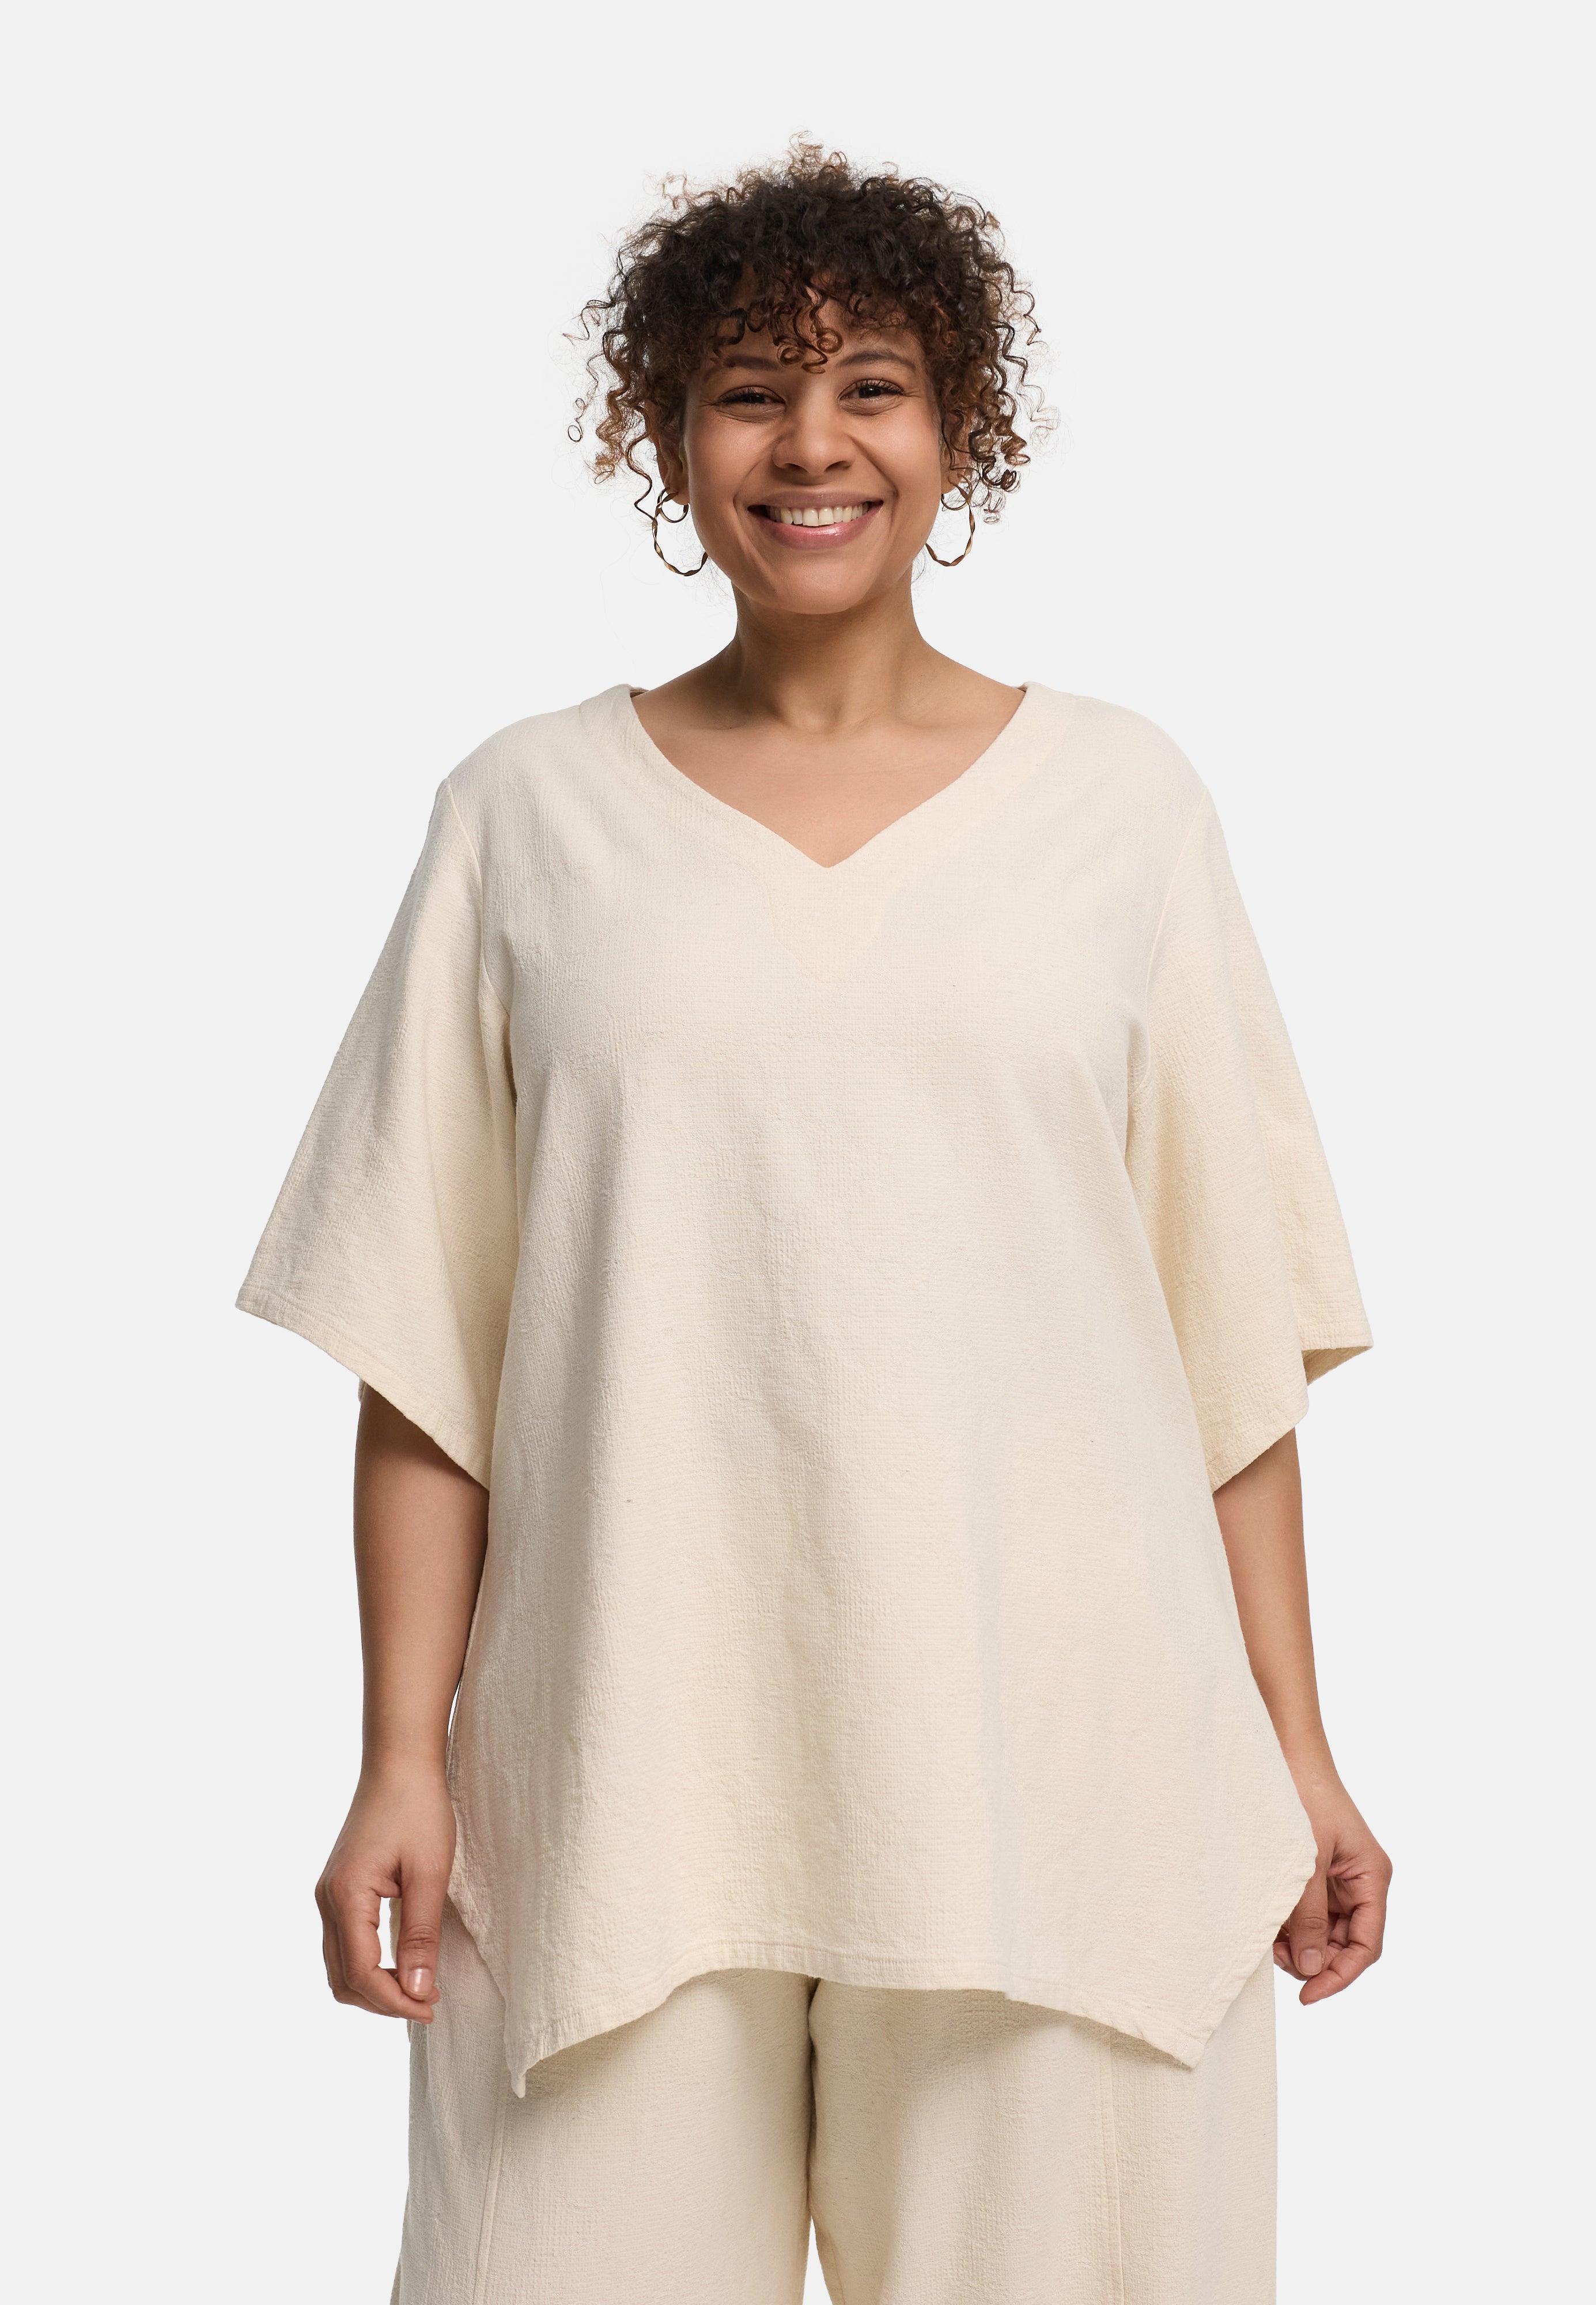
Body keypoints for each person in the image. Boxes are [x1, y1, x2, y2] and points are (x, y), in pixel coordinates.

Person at [239, 142, 1391, 2305]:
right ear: (667, 436)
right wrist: (397, 1757)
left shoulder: (1122, 805)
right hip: (615, 1771)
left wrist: (1299, 1750)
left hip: (1066, 1770)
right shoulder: (525, 814)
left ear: (959, 429)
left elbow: (1223, 1338)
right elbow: (427, 1345)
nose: (810, 446)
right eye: (748, 393)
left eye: (871, 386)